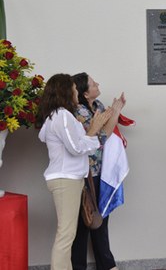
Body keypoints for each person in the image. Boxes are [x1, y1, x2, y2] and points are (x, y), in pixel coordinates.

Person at [37, 74, 112, 270]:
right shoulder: (62, 115)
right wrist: (93, 130)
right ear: (65, 91)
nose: (76, 92)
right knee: (66, 234)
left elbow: (43, 136)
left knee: (67, 233)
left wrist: (88, 133)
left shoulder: (55, 115)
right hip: (66, 180)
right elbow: (76, 148)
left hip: (67, 179)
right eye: (74, 89)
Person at [71, 72, 125, 270]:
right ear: (85, 93)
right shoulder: (79, 112)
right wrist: (114, 114)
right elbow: (100, 138)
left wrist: (114, 113)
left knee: (99, 218)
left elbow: (106, 132)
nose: (98, 84)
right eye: (93, 84)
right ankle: (78, 266)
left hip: (101, 171)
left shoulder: (99, 106)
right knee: (82, 222)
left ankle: (106, 264)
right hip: (83, 173)